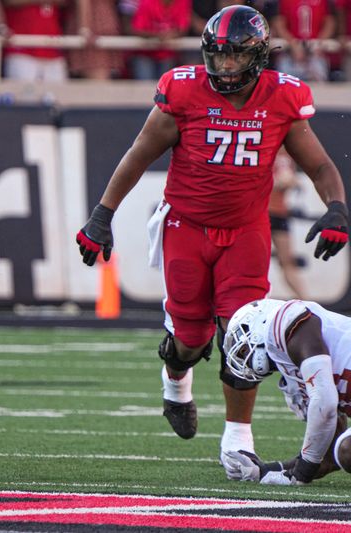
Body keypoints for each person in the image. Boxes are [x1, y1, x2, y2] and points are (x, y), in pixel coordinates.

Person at [75, 5, 348, 479]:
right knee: (190, 336)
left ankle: (237, 438)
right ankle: (175, 378)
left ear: (259, 56)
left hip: (245, 231)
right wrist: (102, 216)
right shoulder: (183, 91)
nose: (223, 68)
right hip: (186, 227)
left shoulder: (282, 98)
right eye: (216, 57)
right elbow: (139, 153)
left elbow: (319, 164)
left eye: (234, 58)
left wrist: (337, 208)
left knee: (242, 335)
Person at [220, 298, 351, 485]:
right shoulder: (294, 369)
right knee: (344, 449)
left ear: (259, 325)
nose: (242, 356)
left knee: (347, 450)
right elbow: (327, 459)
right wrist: (265, 471)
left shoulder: (283, 322)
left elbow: (325, 403)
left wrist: (301, 475)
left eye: (242, 350)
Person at [269, 149, 306, 299]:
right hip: (263, 212)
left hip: (278, 213)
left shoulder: (287, 157)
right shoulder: (268, 152)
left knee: (287, 260)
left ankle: (305, 301)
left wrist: (289, 182)